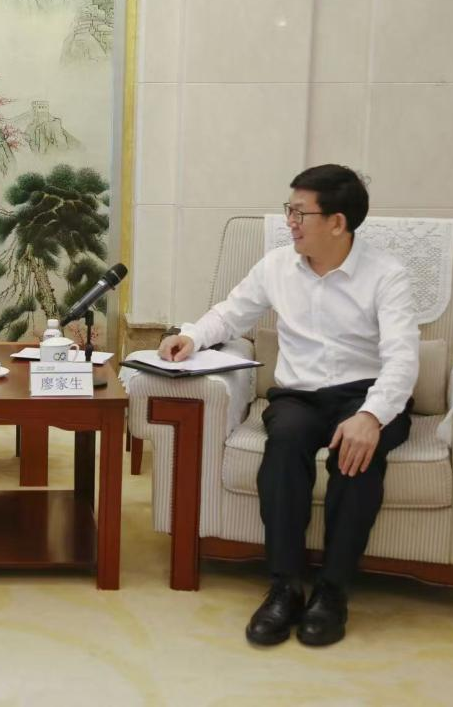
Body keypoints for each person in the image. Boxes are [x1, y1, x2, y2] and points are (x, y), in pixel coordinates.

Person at [158, 164, 418, 647]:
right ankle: (285, 587)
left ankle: (332, 593)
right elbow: (230, 313)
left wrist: (370, 416)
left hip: (366, 395)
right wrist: (191, 337)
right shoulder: (277, 265)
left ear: (337, 222)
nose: (290, 222)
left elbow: (402, 358)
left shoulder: (387, 275)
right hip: (299, 396)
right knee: (284, 444)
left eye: (300, 213)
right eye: (289, 210)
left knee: (356, 459)